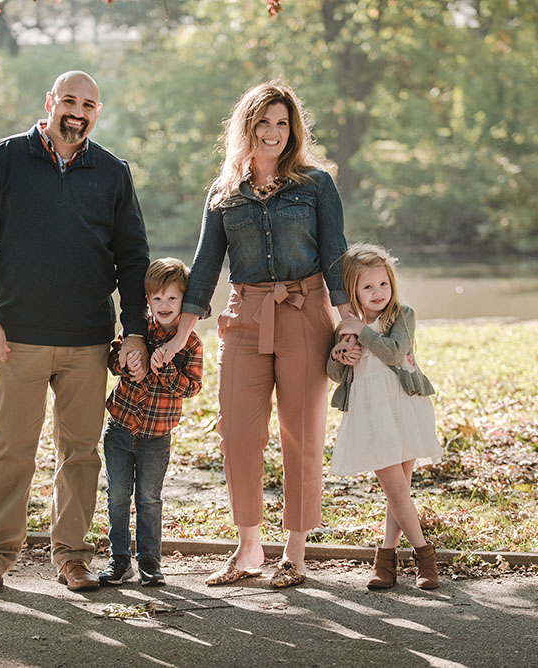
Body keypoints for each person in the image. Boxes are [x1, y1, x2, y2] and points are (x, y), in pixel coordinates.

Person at [0, 70, 150, 595]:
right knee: (11, 450)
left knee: (81, 453)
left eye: (88, 104)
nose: (77, 111)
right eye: (69, 100)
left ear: (97, 112)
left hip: (88, 339)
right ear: (50, 102)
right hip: (17, 336)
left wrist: (134, 331)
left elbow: (133, 258)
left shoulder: (112, 172)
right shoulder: (3, 158)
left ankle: (72, 557)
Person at [153, 82, 353, 588]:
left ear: (294, 129)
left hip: (305, 312)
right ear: (246, 127)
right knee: (238, 431)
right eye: (263, 122)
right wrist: (179, 335)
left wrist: (349, 318)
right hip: (244, 316)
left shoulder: (315, 185)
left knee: (301, 433)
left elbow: (335, 253)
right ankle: (247, 548)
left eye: (282, 123)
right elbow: (204, 267)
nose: (273, 132)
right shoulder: (224, 193)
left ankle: (295, 551)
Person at [326, 242, 442, 590]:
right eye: (368, 287)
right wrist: (338, 353)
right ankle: (424, 557)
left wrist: (362, 332)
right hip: (370, 413)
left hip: (403, 406)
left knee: (398, 491)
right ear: (353, 290)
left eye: (383, 284)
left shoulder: (400, 315)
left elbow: (393, 354)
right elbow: (334, 373)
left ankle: (387, 562)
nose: (378, 293)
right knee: (396, 490)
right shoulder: (348, 325)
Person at [97, 258, 203, 587]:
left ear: (184, 300)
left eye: (172, 298)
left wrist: (167, 368)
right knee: (117, 495)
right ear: (147, 300)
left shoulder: (191, 343)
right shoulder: (138, 329)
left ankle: (150, 561)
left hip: (157, 437)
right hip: (120, 427)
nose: (164, 305)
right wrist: (127, 361)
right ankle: (119, 559)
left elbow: (193, 387)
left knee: (149, 498)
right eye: (156, 299)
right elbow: (113, 357)